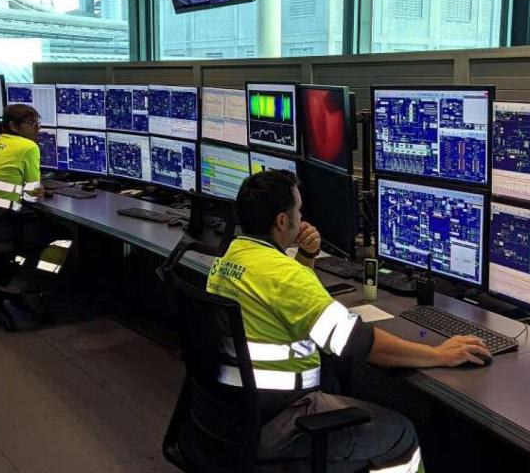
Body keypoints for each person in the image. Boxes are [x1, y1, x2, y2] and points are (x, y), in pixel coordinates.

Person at [206, 170, 492, 472]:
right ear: (281, 221)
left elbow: (283, 303)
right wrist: (438, 354)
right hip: (279, 421)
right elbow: (358, 343)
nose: (302, 218)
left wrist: (306, 255)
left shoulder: (230, 258)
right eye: (298, 211)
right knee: (401, 434)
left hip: (231, 412)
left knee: (335, 379)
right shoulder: (283, 276)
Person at [0, 104, 69, 300]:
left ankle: (4, 279)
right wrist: (41, 190)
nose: (37, 129)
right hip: (4, 224)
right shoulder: (28, 147)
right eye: (32, 124)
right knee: (62, 234)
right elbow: (31, 196)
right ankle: (35, 289)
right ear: (13, 126)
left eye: (38, 124)